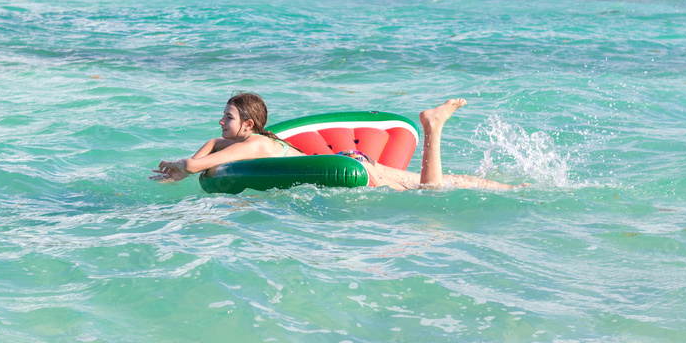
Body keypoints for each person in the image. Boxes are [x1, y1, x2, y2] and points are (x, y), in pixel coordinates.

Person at [151, 93, 517, 190]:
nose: (221, 121)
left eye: (228, 117)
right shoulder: (228, 140)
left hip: (354, 165)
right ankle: (513, 187)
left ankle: (432, 128)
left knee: (430, 191)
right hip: (352, 156)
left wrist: (181, 166)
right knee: (450, 183)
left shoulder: (255, 145)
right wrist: (178, 170)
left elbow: (198, 165)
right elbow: (208, 151)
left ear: (248, 124)